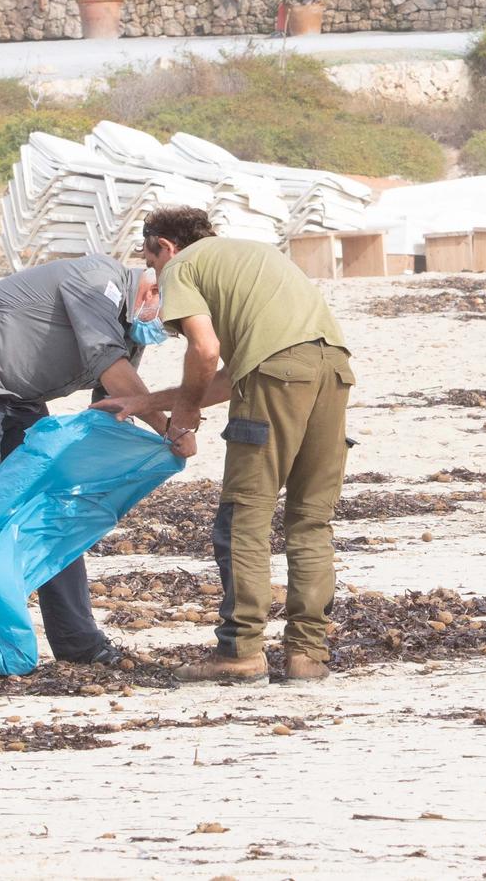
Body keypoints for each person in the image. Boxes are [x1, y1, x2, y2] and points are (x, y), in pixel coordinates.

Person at [101, 207, 355, 686]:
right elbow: (227, 378)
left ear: (165, 246)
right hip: (332, 369)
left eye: (150, 261)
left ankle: (241, 651)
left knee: (245, 517)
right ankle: (307, 655)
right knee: (310, 518)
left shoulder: (182, 267)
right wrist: (145, 401)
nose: (155, 274)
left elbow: (205, 350)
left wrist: (186, 414)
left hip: (276, 376)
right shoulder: (254, 254)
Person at [0, 252, 170, 667]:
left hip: (22, 394)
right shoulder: (96, 280)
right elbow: (115, 371)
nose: (163, 329)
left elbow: (115, 403)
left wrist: (122, 465)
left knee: (52, 507)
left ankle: (77, 640)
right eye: (167, 318)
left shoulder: (132, 332)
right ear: (152, 290)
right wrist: (171, 430)